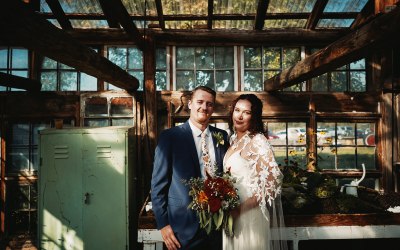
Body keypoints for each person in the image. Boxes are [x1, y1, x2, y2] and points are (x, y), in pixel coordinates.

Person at [151, 86, 229, 250]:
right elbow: (158, 186)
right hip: (182, 228)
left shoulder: (221, 136)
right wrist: (163, 224)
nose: (204, 107)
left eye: (209, 104)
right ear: (190, 104)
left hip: (217, 226)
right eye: (200, 102)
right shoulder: (170, 137)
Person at [222, 94, 287, 250]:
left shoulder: (257, 141)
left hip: (249, 216)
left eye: (247, 112)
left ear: (254, 117)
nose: (240, 115)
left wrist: (240, 209)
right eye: (237, 110)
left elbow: (272, 184)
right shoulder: (233, 141)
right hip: (230, 214)